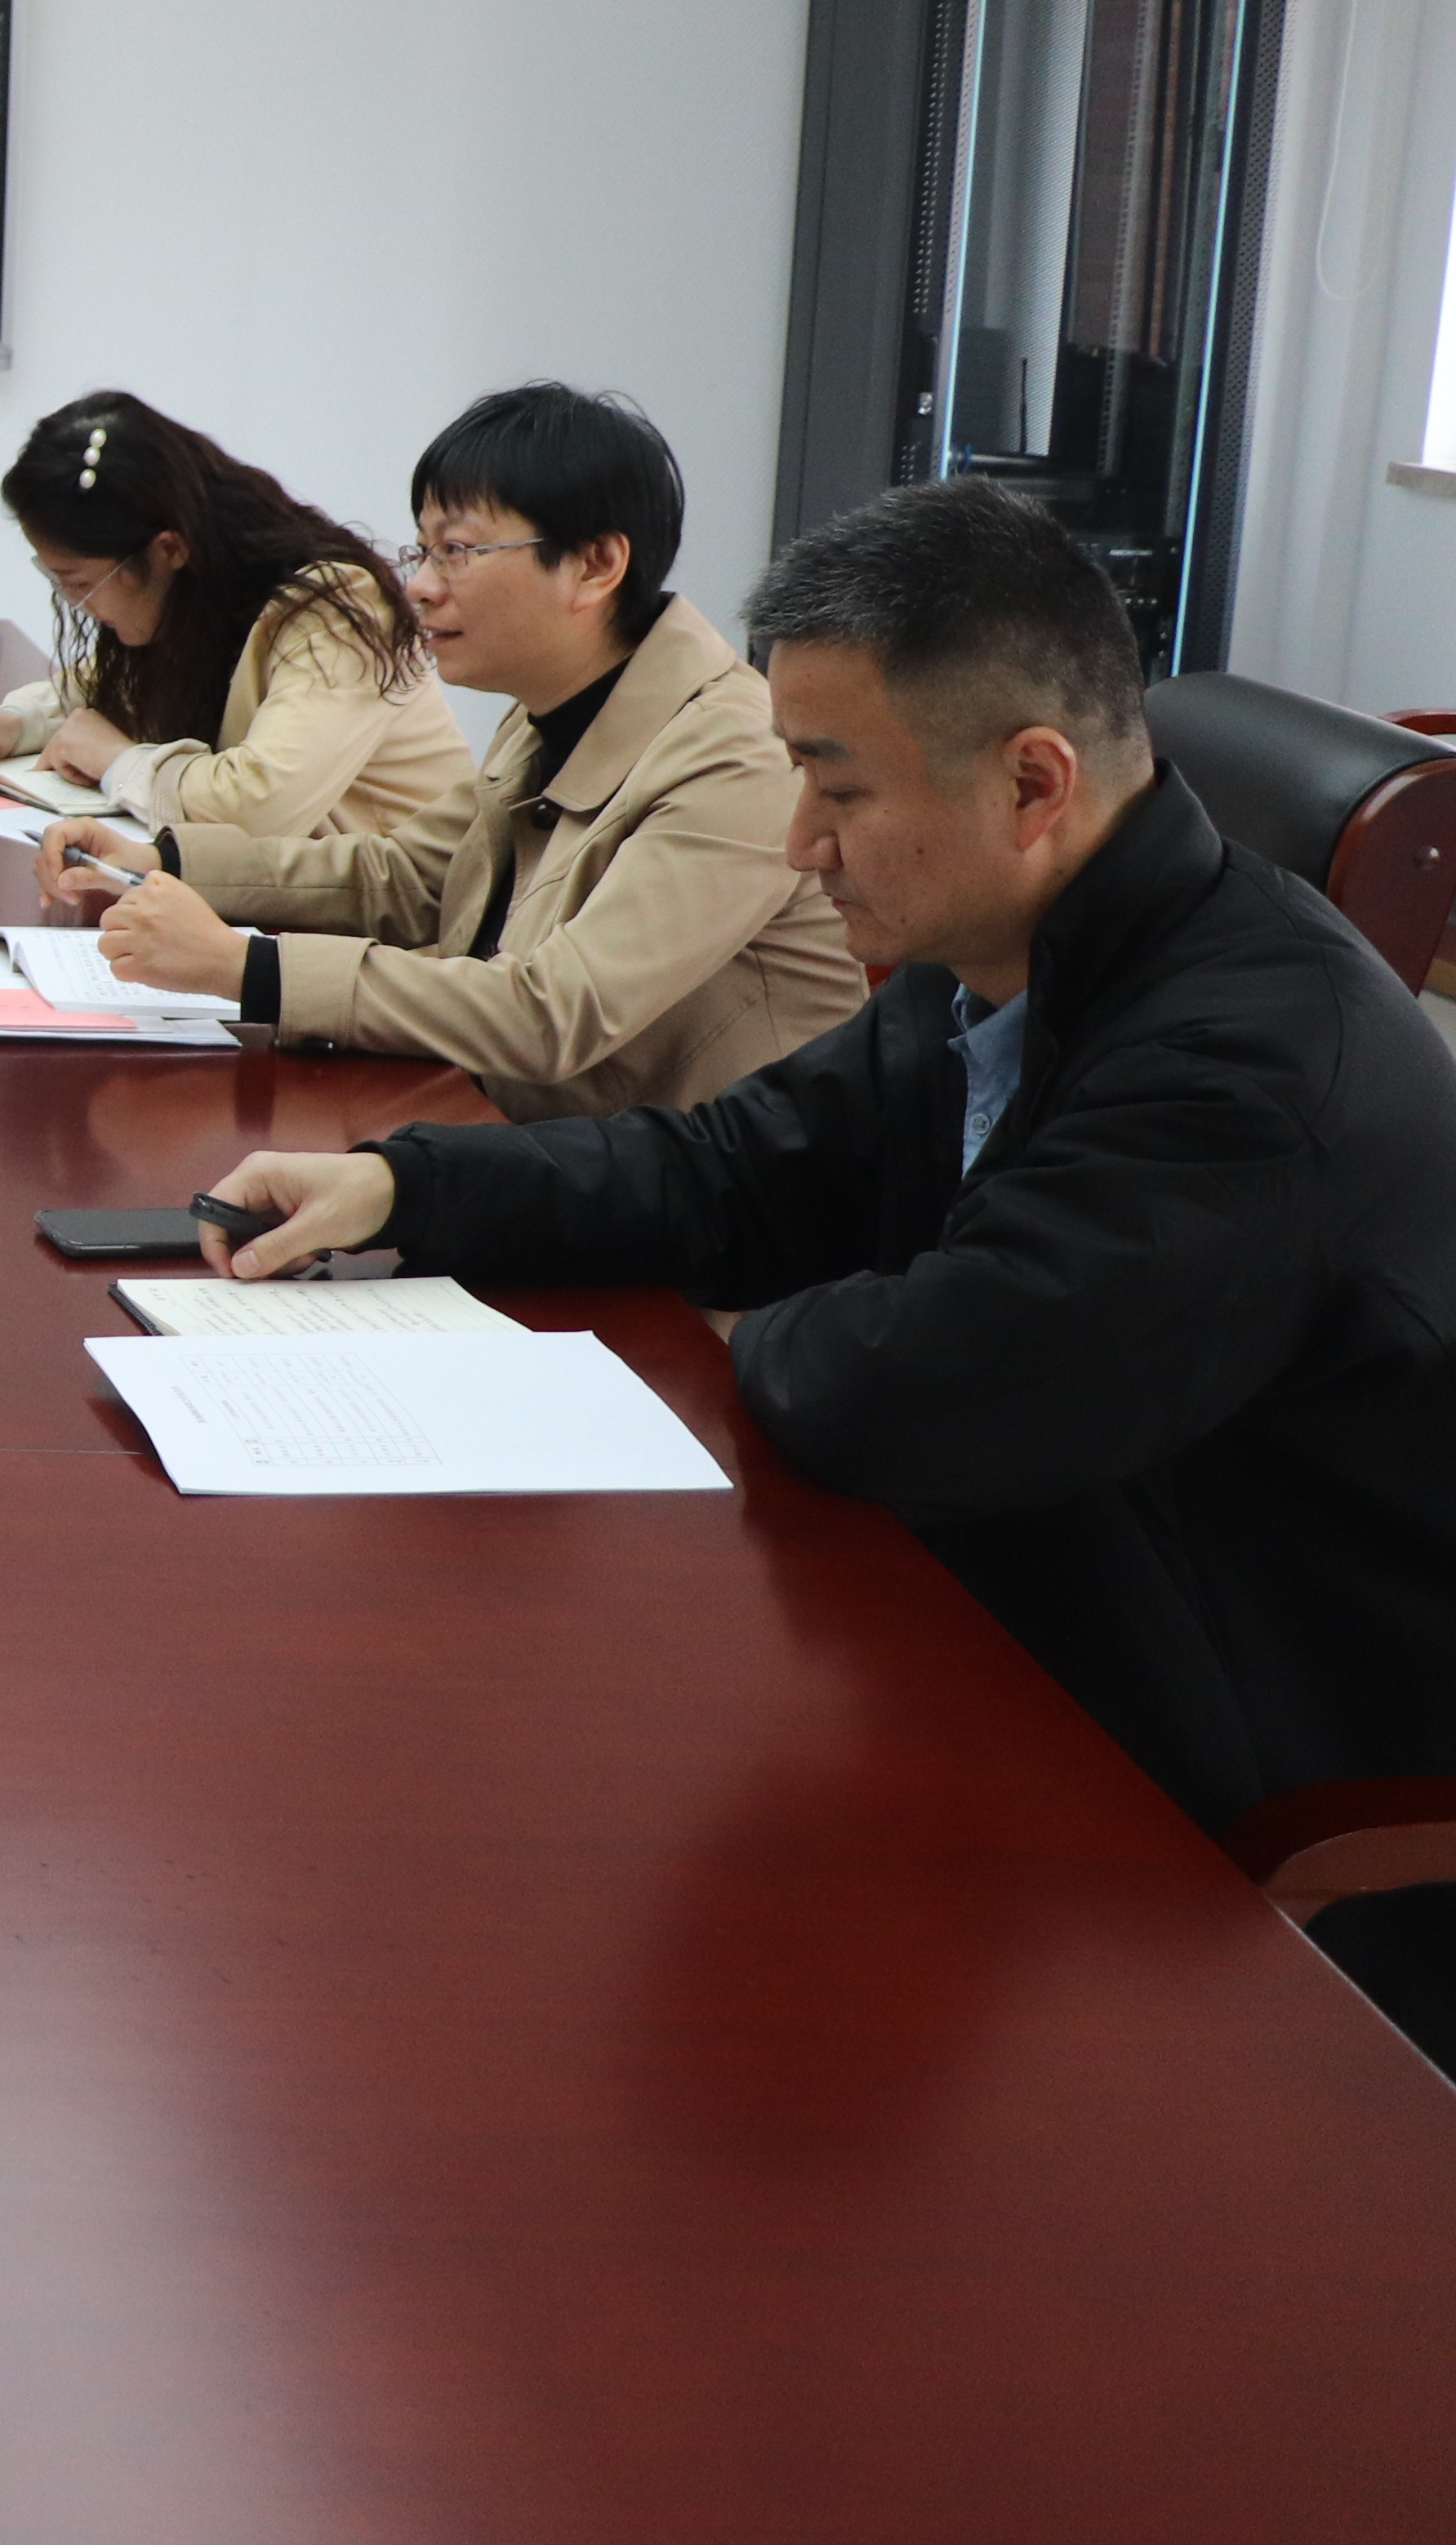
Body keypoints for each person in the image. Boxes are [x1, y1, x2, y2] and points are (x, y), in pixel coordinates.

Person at [198, 479, 1456, 1932]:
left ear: (1033, 785)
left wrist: (759, 1330)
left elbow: (918, 1392)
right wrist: (407, 1182)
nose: (801, 841)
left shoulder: (1247, 1070)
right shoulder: (1011, 949)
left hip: (1232, 1760)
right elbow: (739, 1167)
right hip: (1024, 1604)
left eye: (840, 790)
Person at [33, 384, 864, 1117]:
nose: (422, 586)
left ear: (596, 565)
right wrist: (162, 861)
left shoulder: (739, 753)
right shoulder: (551, 709)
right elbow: (406, 877)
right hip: (532, 1141)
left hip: (697, 1218)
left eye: (458, 551)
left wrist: (248, 967)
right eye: (423, 550)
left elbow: (554, 1012)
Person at [0, 390, 468, 840]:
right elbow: (115, 686)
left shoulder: (337, 608)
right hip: (285, 906)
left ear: (168, 549)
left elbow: (261, 805)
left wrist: (117, 762)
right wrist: (19, 724)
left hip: (401, 925)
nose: (75, 604)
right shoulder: (197, 595)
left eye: (81, 583)